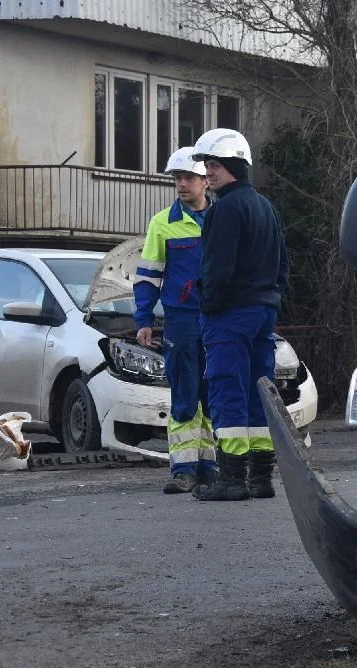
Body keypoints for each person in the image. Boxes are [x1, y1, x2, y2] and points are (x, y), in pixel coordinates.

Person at [189, 128, 289, 501]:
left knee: (226, 389)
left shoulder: (225, 210)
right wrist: (272, 298)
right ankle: (261, 479)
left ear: (232, 166)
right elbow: (283, 262)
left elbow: (217, 268)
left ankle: (232, 480)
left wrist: (209, 306)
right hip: (262, 312)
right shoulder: (265, 206)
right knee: (257, 392)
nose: (208, 174)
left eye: (213, 166)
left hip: (229, 314)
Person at [133, 147, 218, 494]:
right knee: (185, 394)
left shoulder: (223, 218)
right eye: (177, 179)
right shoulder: (162, 223)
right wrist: (143, 319)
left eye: (188, 178)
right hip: (182, 320)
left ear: (205, 182)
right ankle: (183, 469)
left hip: (217, 318)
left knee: (215, 393)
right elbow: (148, 276)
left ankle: (210, 467)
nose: (181, 184)